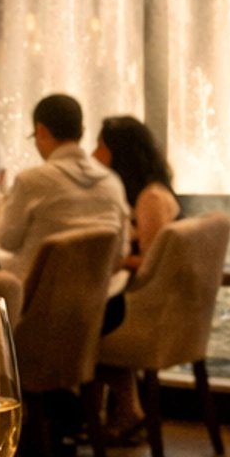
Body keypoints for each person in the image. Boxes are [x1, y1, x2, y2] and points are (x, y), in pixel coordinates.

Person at [0, 91, 129, 284]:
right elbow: (121, 252)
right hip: (95, 305)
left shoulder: (30, 181)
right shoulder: (112, 182)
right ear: (82, 131)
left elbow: (6, 240)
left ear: (40, 131)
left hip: (35, 303)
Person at [94, 114, 181, 343]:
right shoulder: (148, 193)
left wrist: (113, 259)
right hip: (147, 304)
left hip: (145, 313)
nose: (93, 155)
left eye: (100, 147)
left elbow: (152, 263)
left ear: (121, 154)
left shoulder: (151, 198)